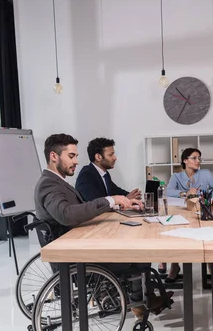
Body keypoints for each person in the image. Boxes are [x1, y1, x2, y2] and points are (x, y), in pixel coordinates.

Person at [35, 133, 172, 317]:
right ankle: (139, 303)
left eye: (76, 156)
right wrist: (111, 200)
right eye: (71, 156)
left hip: (80, 244)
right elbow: (67, 214)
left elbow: (80, 208)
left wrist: (117, 199)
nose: (76, 161)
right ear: (54, 156)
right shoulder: (49, 185)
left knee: (134, 246)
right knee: (139, 254)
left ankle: (140, 299)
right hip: (76, 256)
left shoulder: (57, 182)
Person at [159, 148, 213, 282]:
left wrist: (200, 193)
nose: (198, 161)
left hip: (201, 210)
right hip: (183, 211)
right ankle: (175, 265)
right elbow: (168, 191)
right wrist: (184, 193)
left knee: (209, 231)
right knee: (175, 232)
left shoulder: (205, 174)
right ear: (185, 160)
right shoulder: (176, 176)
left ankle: (211, 262)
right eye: (194, 158)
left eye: (199, 158)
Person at [75, 137, 141, 202]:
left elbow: (116, 190)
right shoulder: (86, 175)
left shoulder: (104, 174)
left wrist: (131, 195)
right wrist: (126, 199)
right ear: (98, 157)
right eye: (110, 155)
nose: (115, 158)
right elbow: (97, 203)